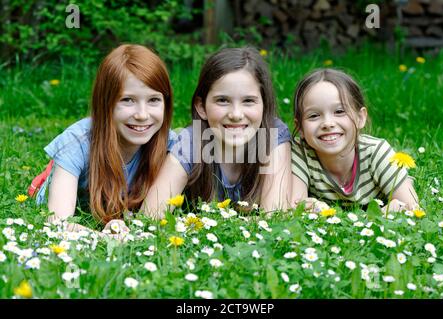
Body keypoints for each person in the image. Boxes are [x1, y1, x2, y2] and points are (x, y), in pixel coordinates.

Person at [31, 44, 176, 235]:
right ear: (105, 103)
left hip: (121, 200)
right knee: (67, 165)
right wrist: (102, 238)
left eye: (153, 100)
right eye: (127, 100)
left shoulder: (170, 144)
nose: (142, 115)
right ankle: (52, 171)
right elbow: (57, 223)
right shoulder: (77, 142)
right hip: (72, 189)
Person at [143, 47, 292, 218]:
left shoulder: (273, 136)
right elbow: (150, 216)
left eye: (248, 101)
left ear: (264, 105)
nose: (236, 114)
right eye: (222, 100)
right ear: (201, 107)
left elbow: (273, 218)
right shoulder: (190, 142)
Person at [290, 68, 419, 213]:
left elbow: (410, 205)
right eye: (314, 116)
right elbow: (296, 206)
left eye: (339, 111)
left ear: (360, 118)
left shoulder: (376, 152)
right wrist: (310, 206)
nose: (328, 123)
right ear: (300, 127)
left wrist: (391, 210)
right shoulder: (300, 152)